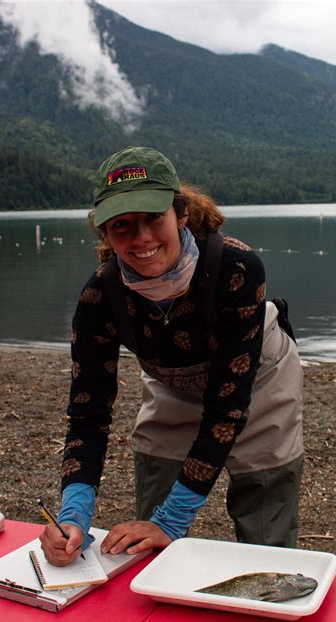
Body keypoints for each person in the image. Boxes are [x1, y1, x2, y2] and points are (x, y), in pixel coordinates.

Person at [40, 146, 304, 566]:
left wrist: (175, 520)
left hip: (259, 378)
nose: (141, 238)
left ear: (181, 213)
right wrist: (72, 514)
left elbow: (227, 407)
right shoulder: (100, 296)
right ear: (105, 232)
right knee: (150, 520)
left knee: (264, 500)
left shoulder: (236, 267)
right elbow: (88, 413)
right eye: (122, 225)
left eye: (153, 218)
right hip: (171, 382)